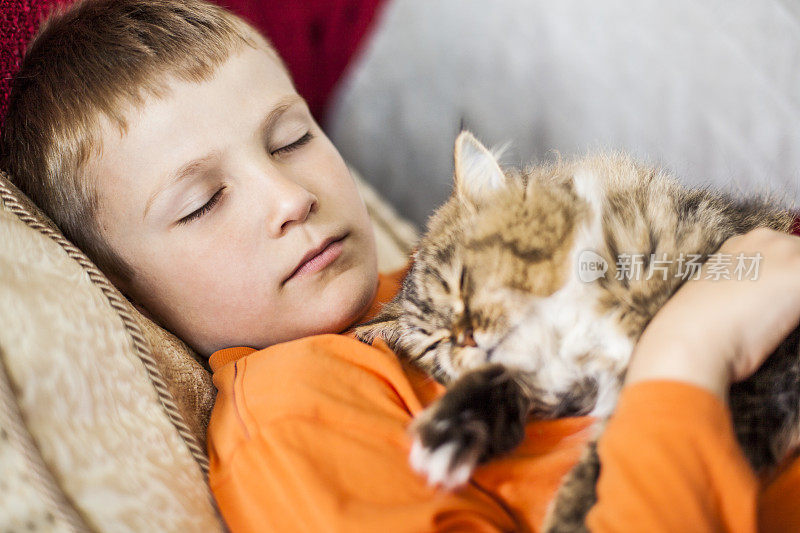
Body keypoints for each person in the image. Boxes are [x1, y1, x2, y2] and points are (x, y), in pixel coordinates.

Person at [1, 0, 800, 531]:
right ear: (122, 289)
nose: (289, 195)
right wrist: (689, 353)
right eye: (202, 201)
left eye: (290, 138)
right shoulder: (293, 415)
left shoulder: (440, 268)